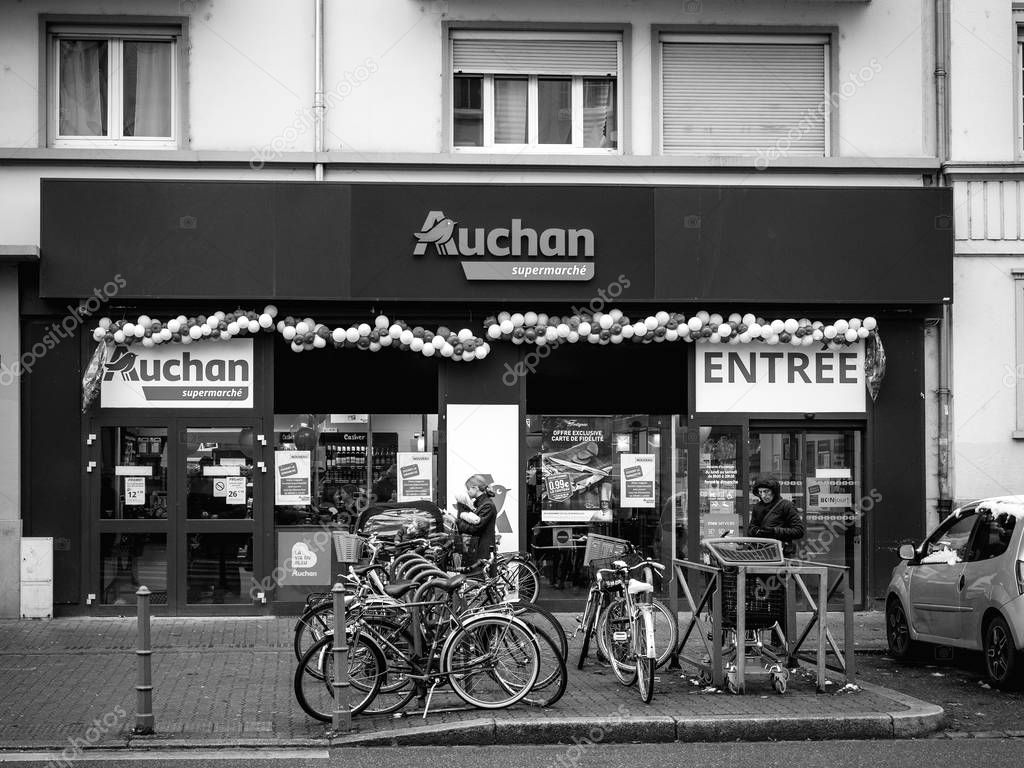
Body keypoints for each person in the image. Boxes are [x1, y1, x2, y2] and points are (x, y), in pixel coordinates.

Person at [748, 476, 805, 556]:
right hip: (761, 553)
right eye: (760, 492)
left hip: (781, 554)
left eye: (766, 491)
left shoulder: (786, 506)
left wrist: (774, 531)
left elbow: (799, 531)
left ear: (774, 491)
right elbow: (751, 528)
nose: (763, 495)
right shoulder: (757, 507)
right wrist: (756, 531)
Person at [457, 474, 498, 562]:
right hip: (478, 548)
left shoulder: (487, 505)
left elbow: (475, 528)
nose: (467, 492)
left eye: (468, 489)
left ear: (475, 488)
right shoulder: (479, 504)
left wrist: (458, 522)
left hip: (483, 550)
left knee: (477, 575)